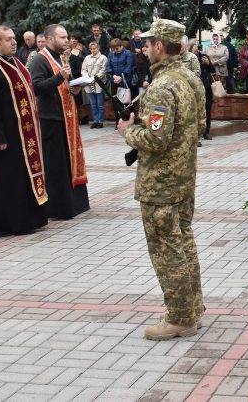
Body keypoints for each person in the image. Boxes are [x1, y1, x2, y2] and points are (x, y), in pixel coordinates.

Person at [118, 19, 206, 340]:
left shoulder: (162, 87)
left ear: (159, 46)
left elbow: (156, 139)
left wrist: (129, 131)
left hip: (161, 184)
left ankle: (181, 317)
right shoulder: (190, 79)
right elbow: (200, 125)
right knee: (183, 241)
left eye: (148, 43)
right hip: (184, 178)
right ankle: (192, 308)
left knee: (167, 250)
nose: (144, 48)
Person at [0, 26, 49, 237]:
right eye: (8, 39)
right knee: (8, 180)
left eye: (14, 39)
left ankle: (30, 219)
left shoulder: (16, 63)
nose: (13, 42)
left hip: (25, 135)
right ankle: (10, 223)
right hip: (5, 137)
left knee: (24, 177)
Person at [29, 25, 90, 220]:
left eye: (67, 37)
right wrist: (59, 77)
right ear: (49, 39)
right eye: (62, 37)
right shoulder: (39, 59)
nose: (67, 41)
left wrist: (75, 88)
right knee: (56, 166)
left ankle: (75, 204)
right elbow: (36, 87)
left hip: (67, 118)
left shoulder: (61, 57)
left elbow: (65, 84)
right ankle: (58, 208)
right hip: (51, 120)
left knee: (68, 162)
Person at [82, 41, 108, 128]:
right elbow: (83, 69)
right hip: (89, 84)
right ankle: (95, 120)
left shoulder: (103, 58)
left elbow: (103, 70)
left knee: (100, 104)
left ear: (98, 48)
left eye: (95, 48)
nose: (93, 50)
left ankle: (100, 121)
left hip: (98, 83)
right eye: (91, 49)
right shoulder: (87, 58)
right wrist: (87, 78)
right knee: (93, 104)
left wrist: (94, 78)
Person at [106, 38, 135, 104]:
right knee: (115, 100)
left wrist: (120, 77)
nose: (115, 50)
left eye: (117, 48)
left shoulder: (128, 53)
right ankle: (117, 114)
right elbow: (108, 66)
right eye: (113, 49)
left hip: (125, 80)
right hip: (114, 80)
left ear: (121, 46)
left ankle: (128, 113)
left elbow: (128, 67)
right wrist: (114, 76)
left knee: (125, 100)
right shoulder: (111, 54)